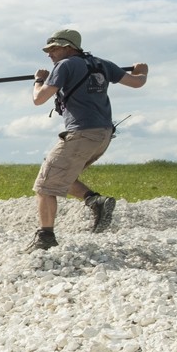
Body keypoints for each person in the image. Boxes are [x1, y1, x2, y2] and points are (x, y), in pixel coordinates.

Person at [28, 29, 149, 251]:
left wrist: (39, 79)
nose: (49, 54)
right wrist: (143, 71)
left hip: (81, 133)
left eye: (54, 48)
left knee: (45, 185)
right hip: (102, 135)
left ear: (69, 47)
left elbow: (39, 98)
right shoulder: (103, 64)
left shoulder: (64, 66)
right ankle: (96, 202)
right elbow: (137, 83)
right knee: (61, 174)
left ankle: (45, 238)